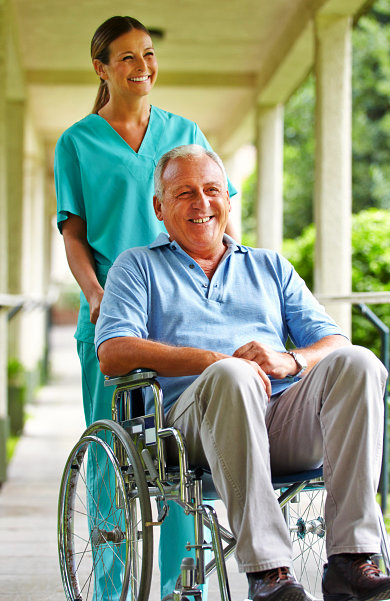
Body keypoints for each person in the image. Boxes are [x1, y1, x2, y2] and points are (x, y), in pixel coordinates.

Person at [95, 144, 390, 601]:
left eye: (212, 190)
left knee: (359, 361)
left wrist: (292, 361)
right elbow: (113, 351)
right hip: (191, 429)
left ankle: (350, 558)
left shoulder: (269, 266)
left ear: (227, 198)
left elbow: (334, 340)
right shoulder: (138, 266)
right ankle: (268, 570)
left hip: (280, 418)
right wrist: (210, 360)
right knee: (233, 377)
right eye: (184, 194)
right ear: (159, 207)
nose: (202, 204)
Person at [54, 16, 237, 599]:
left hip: (181, 310)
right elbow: (74, 232)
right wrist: (94, 294)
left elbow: (216, 213)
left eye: (148, 54)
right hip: (114, 316)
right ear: (102, 68)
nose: (142, 67)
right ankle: (110, 591)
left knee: (181, 460)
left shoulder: (184, 131)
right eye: (127, 57)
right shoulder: (77, 142)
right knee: (113, 458)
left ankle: (183, 591)